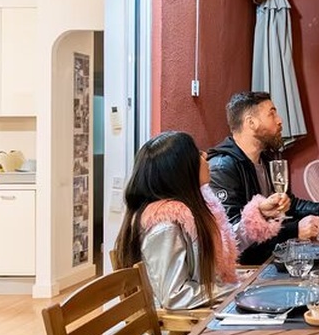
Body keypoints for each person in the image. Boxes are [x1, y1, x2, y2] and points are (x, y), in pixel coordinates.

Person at [114, 131, 283, 310]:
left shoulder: (198, 208)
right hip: (191, 327)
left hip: (211, 310)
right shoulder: (165, 225)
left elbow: (221, 249)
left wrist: (260, 214)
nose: (205, 155)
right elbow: (175, 296)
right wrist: (237, 288)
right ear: (181, 171)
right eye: (197, 154)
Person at [209, 92, 319, 265]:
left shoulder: (266, 161)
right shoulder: (222, 167)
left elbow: (292, 206)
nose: (280, 120)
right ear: (251, 123)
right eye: (272, 114)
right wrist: (294, 230)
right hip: (248, 269)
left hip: (273, 257)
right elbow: (233, 238)